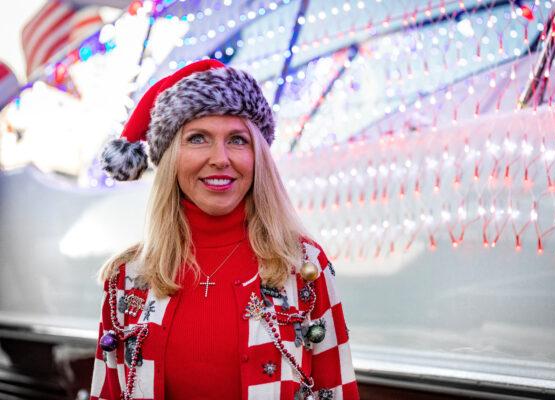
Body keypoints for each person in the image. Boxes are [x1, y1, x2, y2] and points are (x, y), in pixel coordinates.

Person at [90, 59, 359, 400]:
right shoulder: (127, 276)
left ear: (257, 155)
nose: (220, 158)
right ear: (171, 157)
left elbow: (336, 391)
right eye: (198, 138)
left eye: (237, 140)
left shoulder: (303, 265)